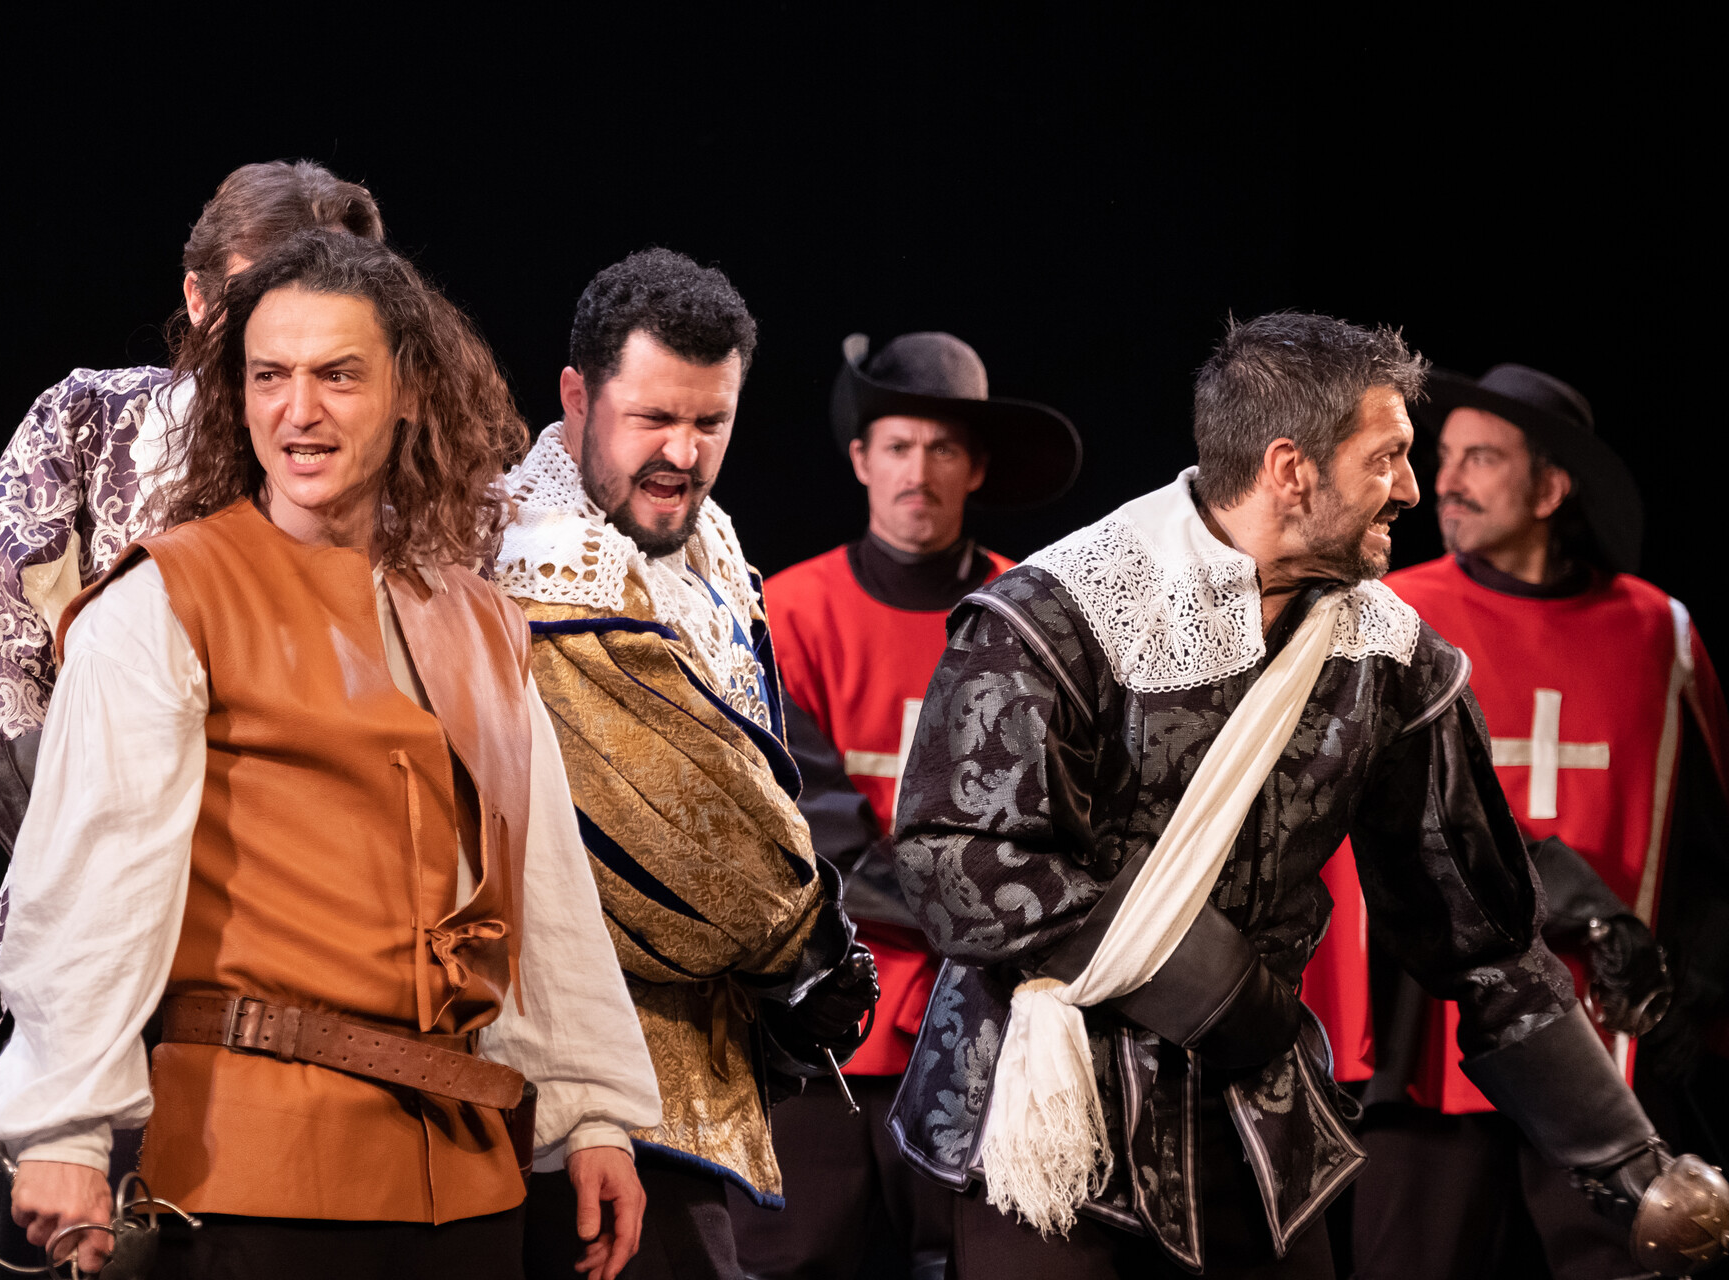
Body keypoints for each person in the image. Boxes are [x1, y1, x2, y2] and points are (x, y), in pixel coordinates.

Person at [885, 313, 1723, 1278]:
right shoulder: (1056, 614)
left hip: (1255, 1128)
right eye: (1387, 458)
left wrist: (1631, 1165)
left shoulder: (1392, 659)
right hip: (1048, 1128)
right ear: (1291, 469)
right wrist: (1216, 990)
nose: (1411, 488)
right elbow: (957, 861)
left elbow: (1482, 936)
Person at [0, 231, 661, 1280]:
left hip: (467, 1188)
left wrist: (592, 1109)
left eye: (338, 375)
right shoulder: (167, 599)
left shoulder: (480, 620)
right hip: (251, 1175)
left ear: (408, 391)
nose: (300, 410)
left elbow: (541, 879)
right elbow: (97, 874)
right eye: (270, 376)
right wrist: (64, 1126)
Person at [490, 248, 881, 1279]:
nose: (683, 452)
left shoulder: (705, 548)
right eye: (653, 418)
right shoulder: (543, 567)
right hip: (583, 1091)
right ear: (576, 397)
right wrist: (804, 948)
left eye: (711, 422)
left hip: (690, 1080)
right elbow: (688, 845)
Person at [1294, 364, 1729, 1279]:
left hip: (1608, 1033)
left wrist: (1690, 989)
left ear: (1551, 488)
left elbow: (1705, 846)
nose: (1444, 482)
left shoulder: (1660, 634)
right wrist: (1578, 903)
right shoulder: (1394, 614)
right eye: (1444, 456)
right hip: (1426, 1031)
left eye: (1480, 459)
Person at [0, 158, 386, 977]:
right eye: (258, 306)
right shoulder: (97, 424)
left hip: (329, 911)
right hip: (111, 928)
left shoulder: (402, 459)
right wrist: (83, 830)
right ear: (198, 299)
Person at [733, 332, 1080, 1280]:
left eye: (942, 449)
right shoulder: (784, 613)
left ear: (977, 468)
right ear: (860, 460)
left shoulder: (1036, 615)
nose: (917, 472)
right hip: (821, 1036)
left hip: (989, 1031)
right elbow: (808, 838)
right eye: (897, 446)